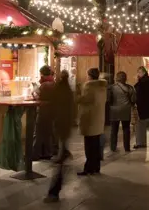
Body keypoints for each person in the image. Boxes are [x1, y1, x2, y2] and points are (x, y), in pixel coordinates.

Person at [45, 71, 76, 203]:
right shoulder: (68, 92)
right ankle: (62, 154)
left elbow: (52, 108)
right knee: (61, 151)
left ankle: (54, 192)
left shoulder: (57, 91)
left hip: (59, 125)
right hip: (65, 126)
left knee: (60, 164)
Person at [77, 68, 107, 176]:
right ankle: (96, 167)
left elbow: (84, 99)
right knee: (96, 145)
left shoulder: (89, 86)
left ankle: (88, 168)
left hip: (89, 119)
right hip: (98, 118)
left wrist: (77, 95)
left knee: (89, 146)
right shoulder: (102, 86)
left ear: (89, 75)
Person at [32, 65, 57, 161]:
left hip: (43, 111)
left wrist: (34, 92)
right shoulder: (53, 83)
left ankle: (35, 154)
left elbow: (39, 97)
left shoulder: (44, 85)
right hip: (52, 112)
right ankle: (47, 153)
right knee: (48, 133)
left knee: (38, 133)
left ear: (42, 74)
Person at [108, 71, 135, 153]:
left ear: (117, 78)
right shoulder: (130, 88)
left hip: (114, 110)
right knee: (126, 129)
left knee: (114, 130)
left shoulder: (111, 88)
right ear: (125, 78)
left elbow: (109, 99)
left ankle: (113, 147)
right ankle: (127, 148)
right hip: (125, 109)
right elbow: (134, 99)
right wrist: (131, 104)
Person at [133, 66, 149, 149]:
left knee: (139, 125)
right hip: (145, 106)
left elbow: (138, 93)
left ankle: (139, 143)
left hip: (140, 106)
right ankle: (142, 142)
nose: (138, 74)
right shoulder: (147, 81)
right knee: (142, 124)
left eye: (139, 72)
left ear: (143, 72)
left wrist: (137, 81)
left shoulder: (142, 82)